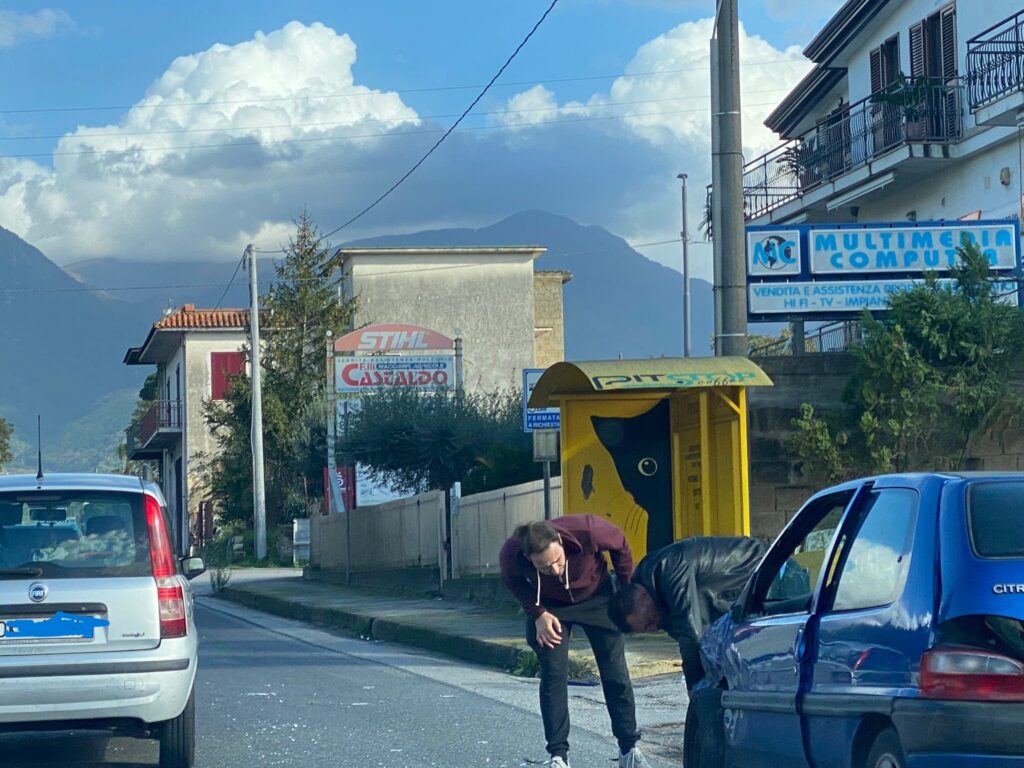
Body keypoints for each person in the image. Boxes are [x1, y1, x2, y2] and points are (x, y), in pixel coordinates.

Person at [499, 516, 651, 768]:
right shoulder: (512, 552)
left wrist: (627, 591)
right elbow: (511, 579)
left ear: (560, 541)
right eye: (544, 567)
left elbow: (621, 544)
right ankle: (558, 756)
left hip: (597, 597)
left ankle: (629, 749)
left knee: (615, 673)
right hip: (551, 608)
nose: (555, 570)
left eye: (558, 561)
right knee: (554, 674)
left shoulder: (588, 530)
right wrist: (537, 613)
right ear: (528, 559)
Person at [608, 536, 767, 691]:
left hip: (763, 567)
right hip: (741, 594)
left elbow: (690, 633)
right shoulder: (656, 600)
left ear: (643, 595)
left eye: (649, 621)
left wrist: (695, 689)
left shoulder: (669, 569)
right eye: (646, 629)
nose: (654, 628)